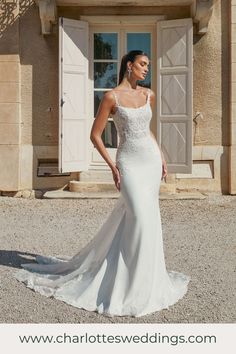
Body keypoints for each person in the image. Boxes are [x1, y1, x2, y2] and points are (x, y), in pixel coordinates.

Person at [14, 50, 191, 318]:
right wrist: (113, 166)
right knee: (139, 216)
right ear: (129, 66)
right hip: (129, 162)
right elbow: (95, 135)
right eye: (143, 65)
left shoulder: (148, 95)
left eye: (148, 66)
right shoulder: (111, 96)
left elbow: (147, 130)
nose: (146, 69)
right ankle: (123, 280)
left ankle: (144, 279)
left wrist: (162, 156)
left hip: (150, 161)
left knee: (148, 219)